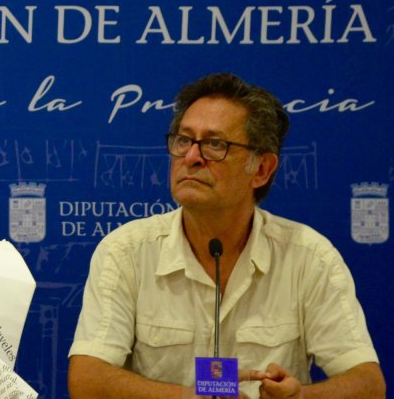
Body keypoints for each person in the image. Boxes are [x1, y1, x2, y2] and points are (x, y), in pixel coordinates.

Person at [68, 72, 385, 399]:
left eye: (215, 144)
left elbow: (368, 384)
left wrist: (301, 397)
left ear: (261, 169)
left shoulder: (309, 256)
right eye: (184, 140)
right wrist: (188, 397)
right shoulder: (126, 251)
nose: (191, 157)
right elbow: (88, 379)